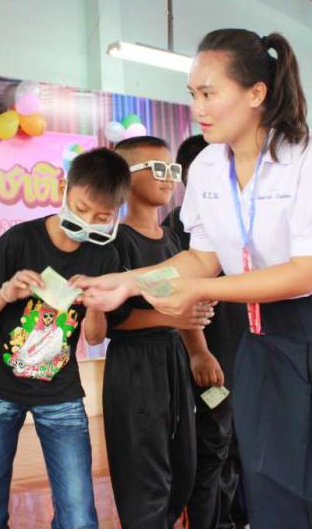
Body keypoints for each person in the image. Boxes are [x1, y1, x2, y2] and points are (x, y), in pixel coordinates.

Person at [75, 29, 312, 528]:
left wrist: (199, 290)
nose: (197, 108)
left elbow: (305, 273)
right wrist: (131, 282)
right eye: (192, 94)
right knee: (277, 472)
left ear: (256, 93)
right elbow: (202, 257)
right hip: (268, 332)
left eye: (209, 93)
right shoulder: (207, 167)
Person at [0, 147, 129, 528]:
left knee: (79, 514)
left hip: (61, 393)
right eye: (81, 208)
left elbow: (95, 336)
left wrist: (96, 303)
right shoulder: (19, 239)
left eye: (102, 217)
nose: (87, 222)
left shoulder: (105, 256)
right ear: (63, 189)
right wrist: (7, 292)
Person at [87, 135, 209, 528]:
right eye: (158, 169)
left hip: (173, 361)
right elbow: (114, 322)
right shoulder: (114, 241)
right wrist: (172, 319)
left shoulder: (173, 240)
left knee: (183, 467)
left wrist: (199, 352)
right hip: (135, 367)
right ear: (125, 177)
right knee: (144, 473)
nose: (169, 177)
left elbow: (185, 306)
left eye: (172, 169)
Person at [164, 134, 249, 529]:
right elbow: (176, 298)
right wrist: (198, 351)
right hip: (207, 361)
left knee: (239, 446)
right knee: (212, 447)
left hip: (244, 353)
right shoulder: (176, 230)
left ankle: (236, 518)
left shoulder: (242, 219)